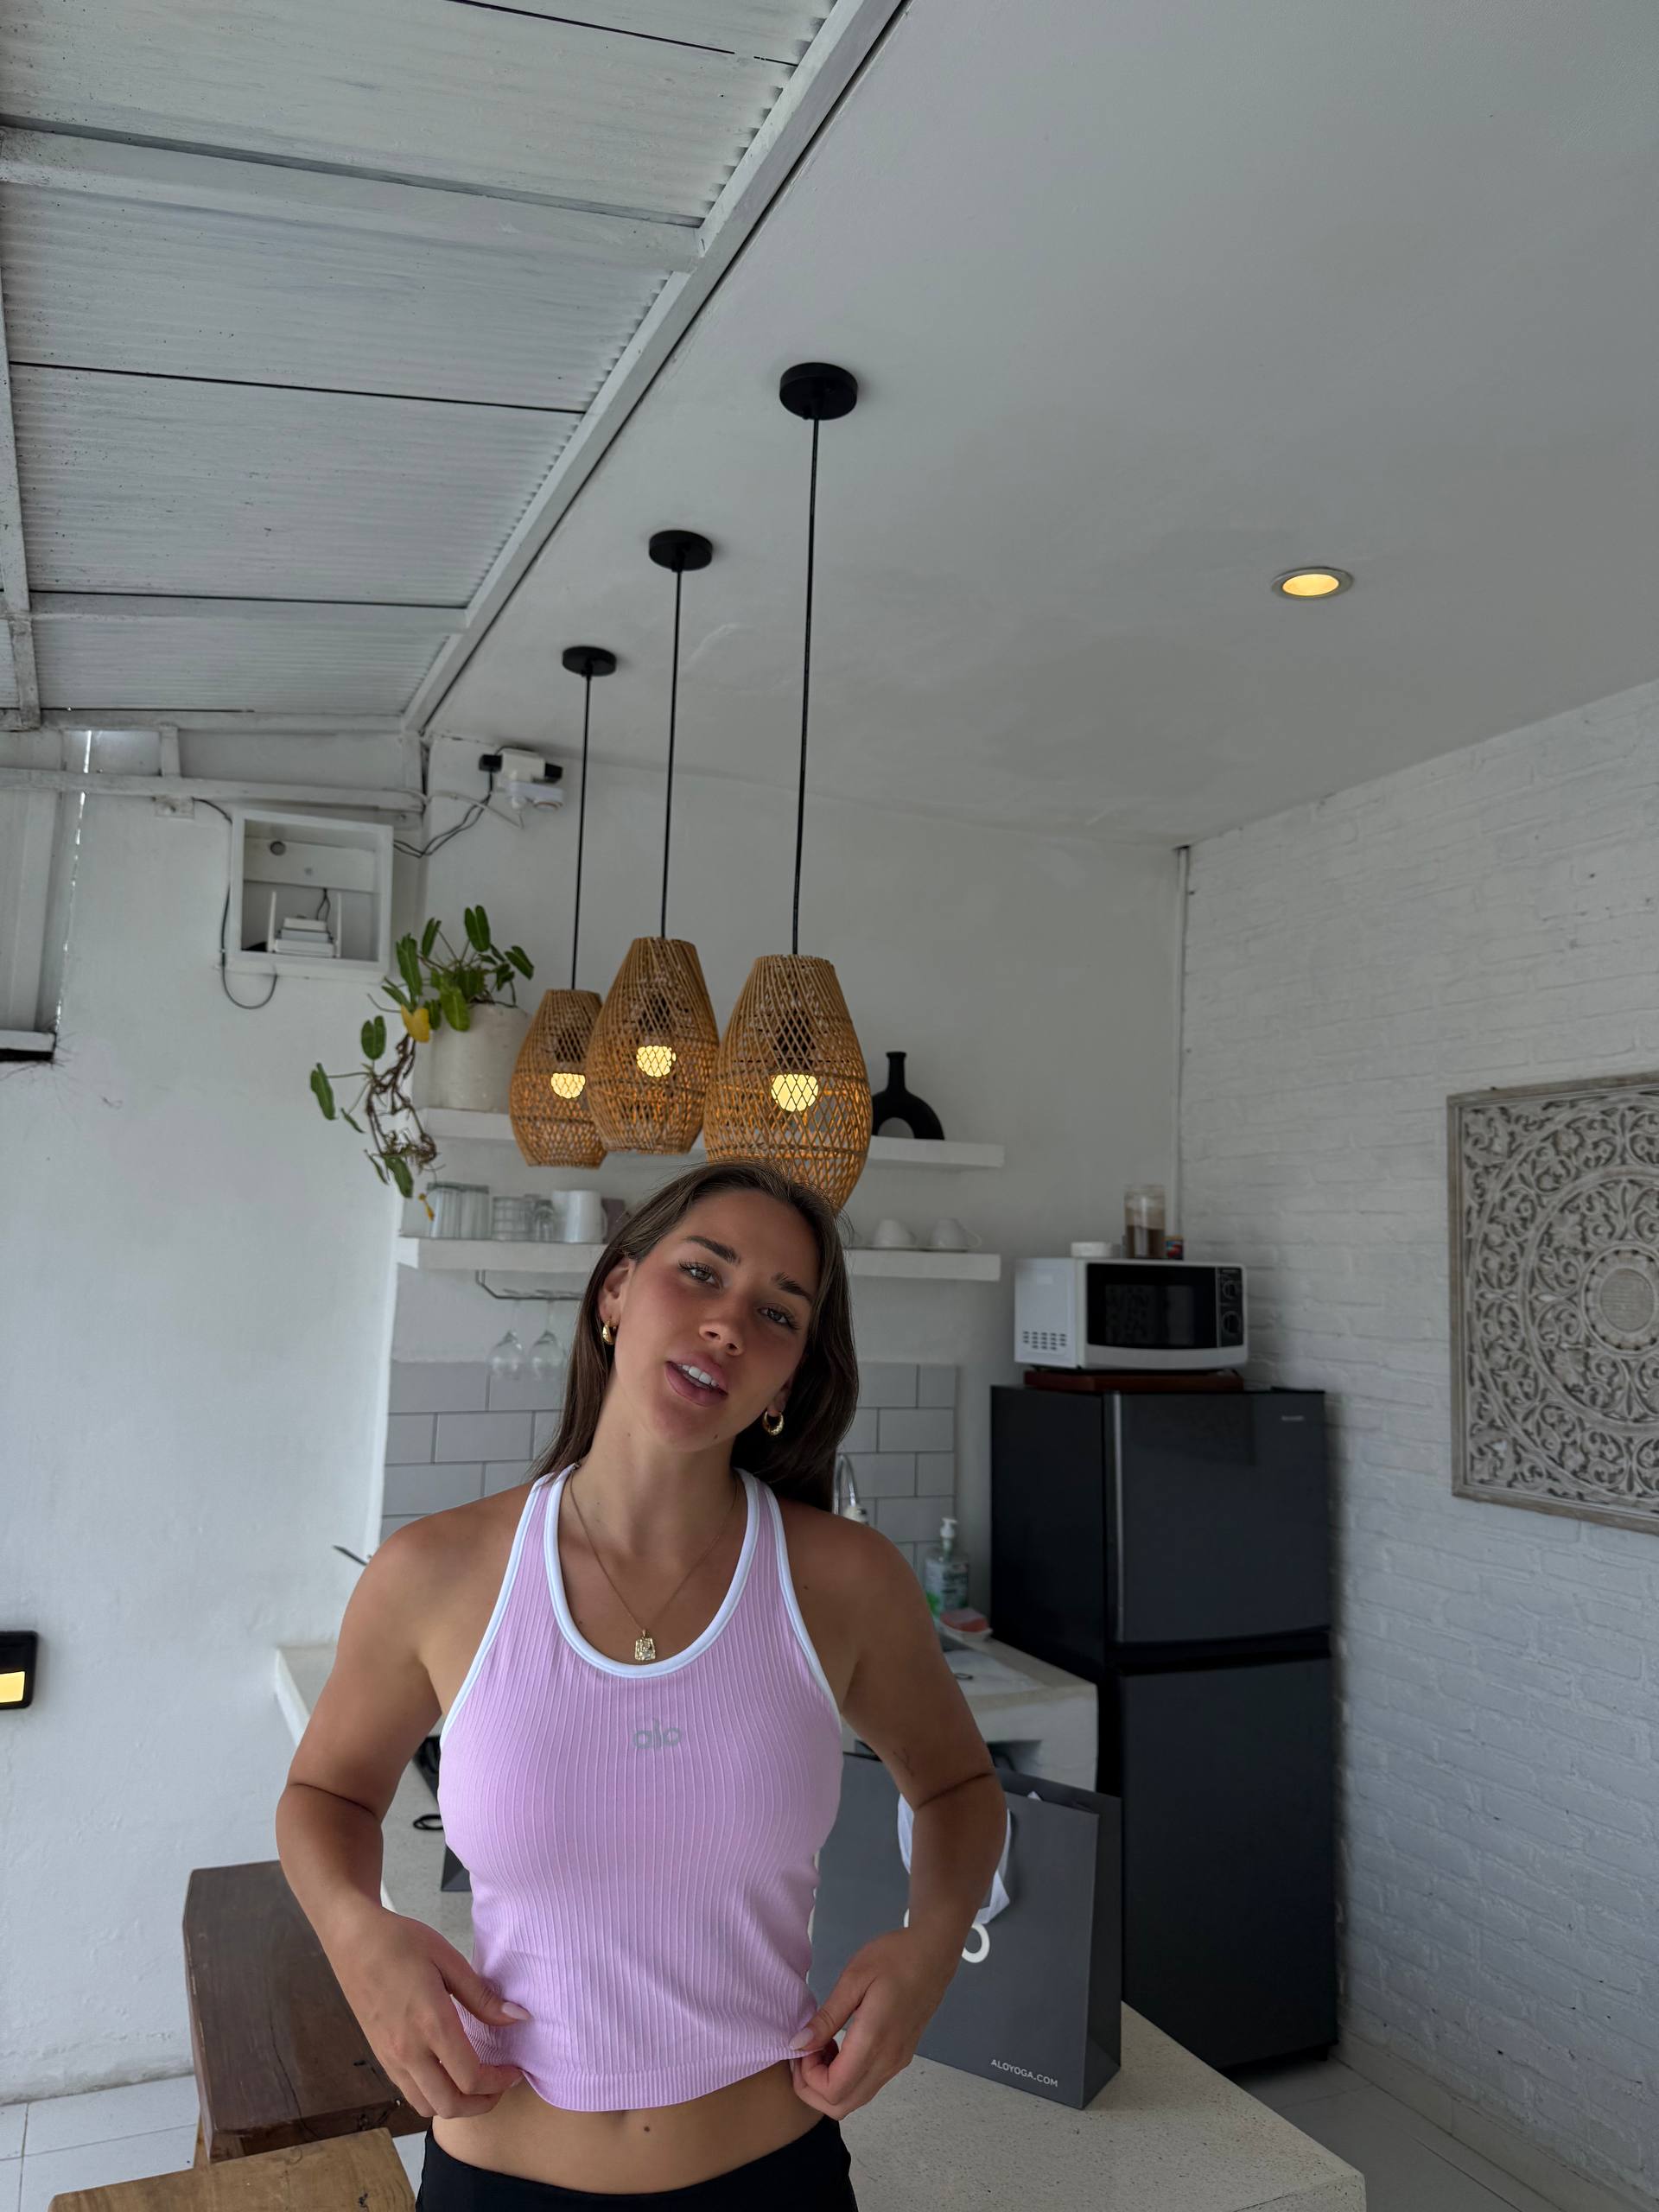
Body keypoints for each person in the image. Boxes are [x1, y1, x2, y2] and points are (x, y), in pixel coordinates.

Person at [276, 1159, 1009, 2209]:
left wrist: (931, 1947)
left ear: (787, 1383)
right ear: (616, 1293)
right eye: (701, 1271)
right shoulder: (436, 1573)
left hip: (774, 2179)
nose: (728, 1324)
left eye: (778, 1312)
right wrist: (355, 1934)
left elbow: (958, 1788)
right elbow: (325, 1795)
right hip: (500, 2181)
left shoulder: (845, 1580)